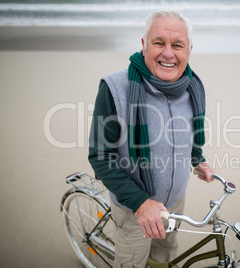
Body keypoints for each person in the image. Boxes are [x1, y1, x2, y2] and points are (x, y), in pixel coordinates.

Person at [88, 9, 214, 267]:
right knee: (132, 262)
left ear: (189, 49)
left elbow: (190, 135)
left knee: (165, 253)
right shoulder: (114, 89)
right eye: (159, 42)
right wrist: (141, 203)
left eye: (177, 45)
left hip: (176, 202)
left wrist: (196, 159)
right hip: (133, 208)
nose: (168, 53)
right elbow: (100, 156)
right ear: (144, 45)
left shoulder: (194, 88)